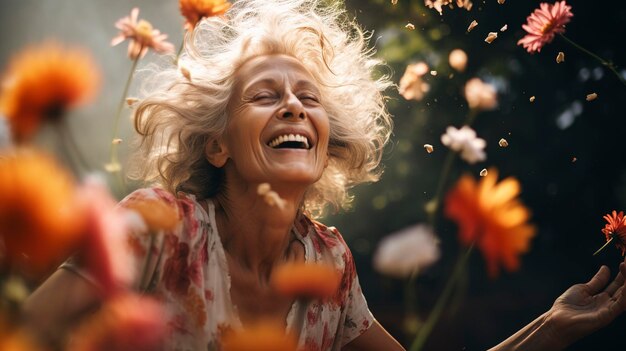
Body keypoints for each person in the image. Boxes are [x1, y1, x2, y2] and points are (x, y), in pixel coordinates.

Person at [22, 0, 626, 350]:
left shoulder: (329, 265)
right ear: (217, 146)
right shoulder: (155, 226)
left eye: (308, 97)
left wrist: (551, 326)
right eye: (264, 95)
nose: (294, 106)